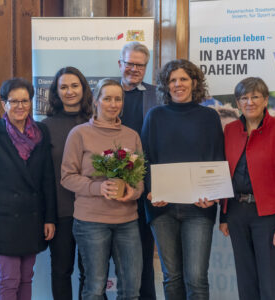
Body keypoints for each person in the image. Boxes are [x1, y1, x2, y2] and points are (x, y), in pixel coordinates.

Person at [141, 59, 224, 300]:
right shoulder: (155, 116)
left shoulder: (209, 117)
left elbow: (217, 159)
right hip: (161, 208)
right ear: (166, 86)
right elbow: (145, 158)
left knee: (197, 278)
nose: (178, 84)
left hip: (200, 208)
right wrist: (150, 191)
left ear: (194, 82)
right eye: (172, 80)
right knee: (172, 277)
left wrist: (214, 194)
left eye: (183, 79)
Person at [61, 78, 143, 299]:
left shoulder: (131, 135)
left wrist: (132, 192)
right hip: (91, 223)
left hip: (127, 221)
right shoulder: (79, 134)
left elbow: (139, 179)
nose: (113, 104)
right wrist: (98, 188)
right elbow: (67, 177)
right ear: (96, 101)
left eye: (118, 99)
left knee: (131, 289)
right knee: (95, 288)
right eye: (107, 98)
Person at [0, 77, 56, 300]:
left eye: (25, 101)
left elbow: (47, 179)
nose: (20, 106)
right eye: (14, 101)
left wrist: (50, 218)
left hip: (33, 217)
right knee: (9, 278)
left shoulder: (41, 132)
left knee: (26, 277)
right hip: (3, 220)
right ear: (4, 104)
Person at [219, 77, 275, 300]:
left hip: (269, 217)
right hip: (237, 213)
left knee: (270, 286)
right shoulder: (229, 130)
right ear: (237, 103)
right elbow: (223, 174)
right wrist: (224, 216)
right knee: (246, 283)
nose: (250, 102)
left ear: (266, 100)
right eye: (244, 98)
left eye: (255, 96)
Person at [42, 66, 92, 300]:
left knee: (90, 273)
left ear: (83, 88)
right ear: (56, 92)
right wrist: (48, 216)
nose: (69, 91)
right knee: (61, 271)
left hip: (93, 211)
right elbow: (43, 176)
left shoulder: (96, 123)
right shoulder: (46, 127)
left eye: (74, 85)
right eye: (63, 87)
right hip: (61, 212)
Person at [118, 41, 158, 300]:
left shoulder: (157, 94)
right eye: (129, 63)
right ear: (120, 64)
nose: (134, 68)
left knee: (144, 250)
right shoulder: (106, 92)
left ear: (146, 67)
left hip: (147, 185)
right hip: (112, 184)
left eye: (139, 65)